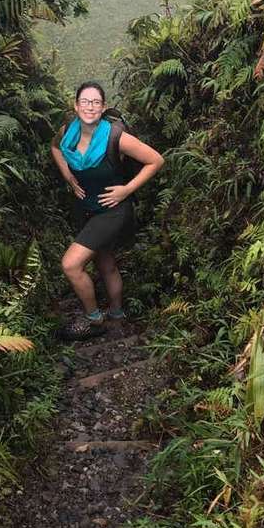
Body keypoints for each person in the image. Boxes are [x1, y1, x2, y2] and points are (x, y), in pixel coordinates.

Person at [51, 81, 164, 339]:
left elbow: (155, 160)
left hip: (113, 210)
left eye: (96, 102)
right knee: (105, 262)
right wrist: (69, 178)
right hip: (86, 207)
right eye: (85, 102)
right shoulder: (67, 132)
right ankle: (116, 314)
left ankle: (94, 319)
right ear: (76, 105)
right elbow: (55, 148)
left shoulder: (116, 136)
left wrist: (127, 189)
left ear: (103, 107)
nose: (90, 107)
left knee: (70, 264)